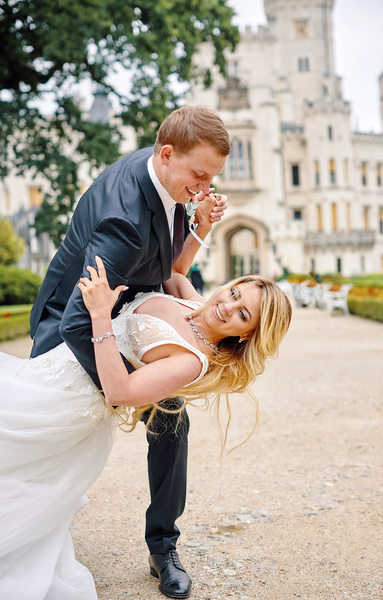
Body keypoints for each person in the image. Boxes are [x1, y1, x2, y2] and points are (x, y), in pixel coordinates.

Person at [0, 257, 292, 599]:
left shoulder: (192, 359)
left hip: (74, 399)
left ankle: (163, 547)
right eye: (234, 293)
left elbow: (120, 392)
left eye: (243, 314)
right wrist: (201, 225)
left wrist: (98, 315)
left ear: (246, 334)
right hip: (54, 369)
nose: (227, 307)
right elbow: (174, 267)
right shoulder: (194, 302)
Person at [28, 105, 230, 598]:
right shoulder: (124, 219)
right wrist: (129, 391)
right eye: (199, 176)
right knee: (50, 440)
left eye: (211, 178)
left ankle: (163, 545)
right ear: (166, 154)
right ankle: (29, 532)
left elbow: (168, 267)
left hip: (128, 312)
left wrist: (198, 224)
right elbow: (80, 320)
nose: (204, 186)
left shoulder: (169, 173)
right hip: (72, 326)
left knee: (172, 417)